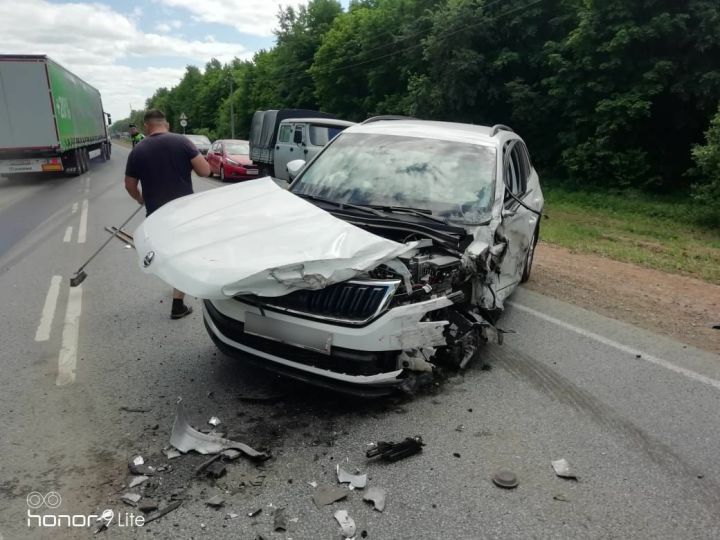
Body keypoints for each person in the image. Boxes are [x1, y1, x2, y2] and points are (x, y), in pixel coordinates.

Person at [124, 109, 211, 319]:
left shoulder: (138, 149)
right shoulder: (182, 142)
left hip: (156, 214)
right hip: (183, 212)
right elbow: (205, 171)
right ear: (168, 124)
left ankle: (175, 285)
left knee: (169, 253)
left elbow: (129, 185)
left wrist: (139, 198)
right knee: (182, 253)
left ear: (146, 126)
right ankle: (177, 304)